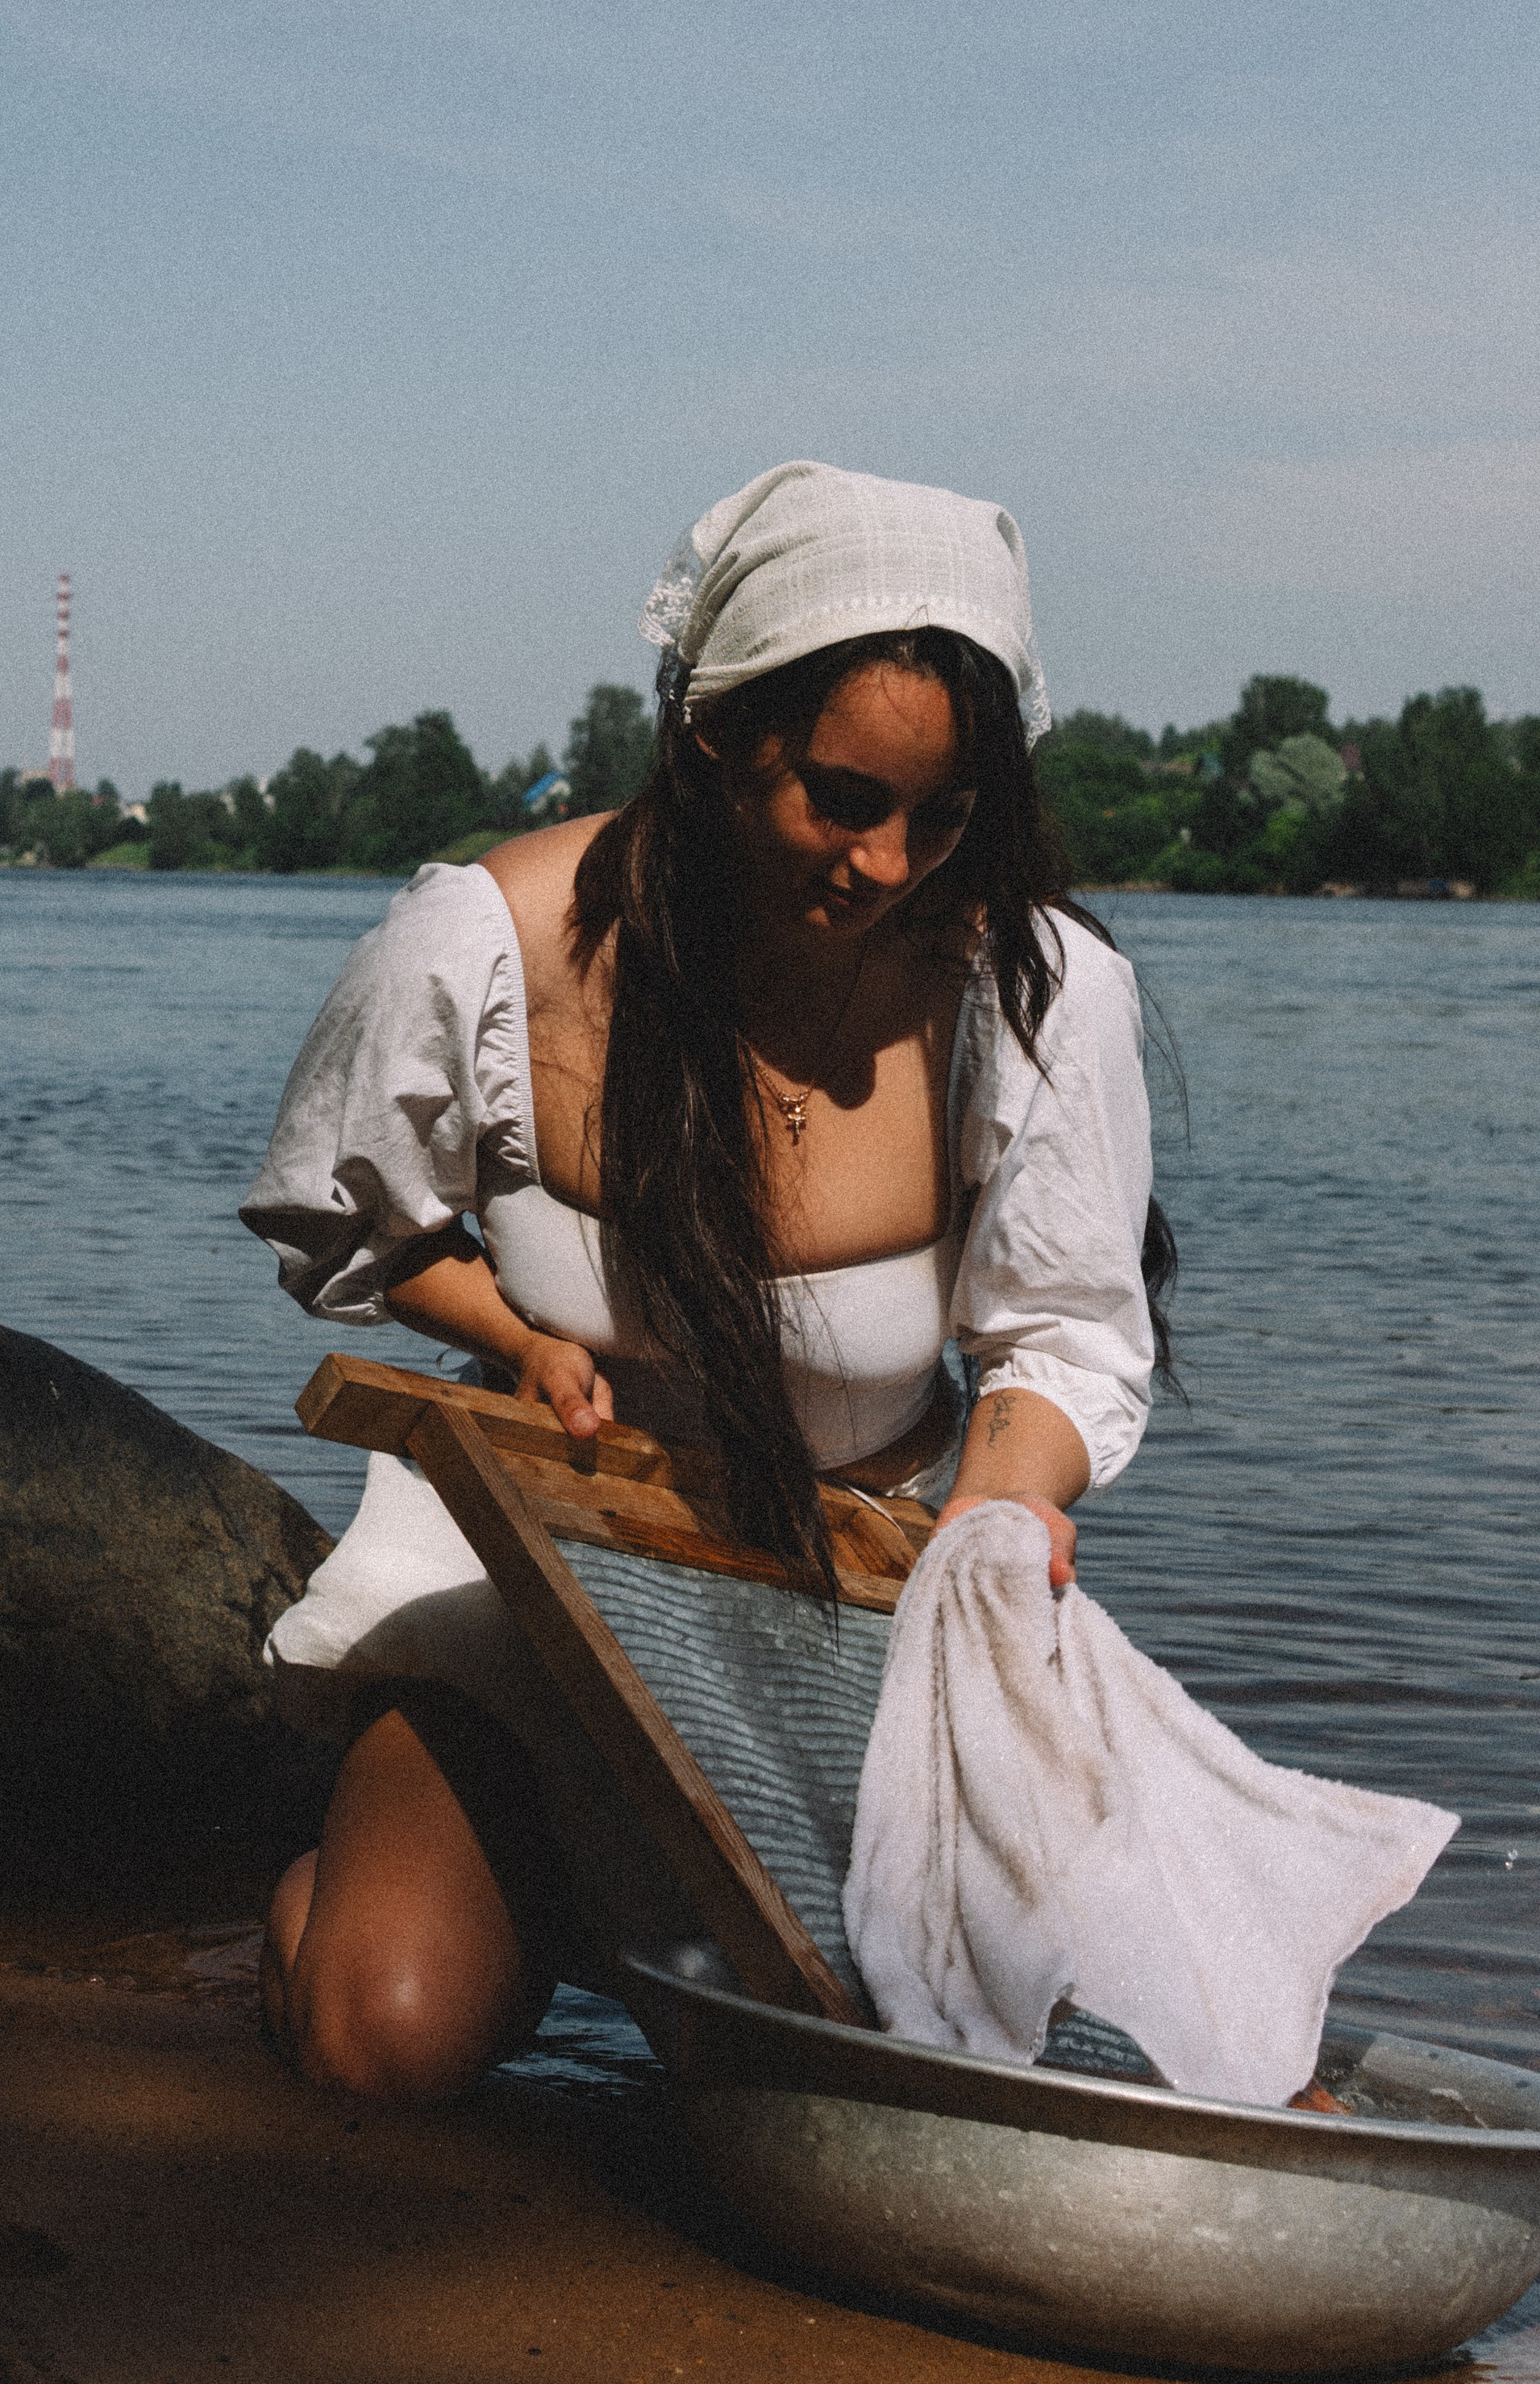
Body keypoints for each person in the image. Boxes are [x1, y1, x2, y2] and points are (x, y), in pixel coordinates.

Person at [240, 461, 1172, 2102]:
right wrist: (509, 1335)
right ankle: (350, 1900)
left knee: (919, 2093)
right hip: (524, 1575)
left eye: (939, 817)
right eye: (843, 799)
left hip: (852, 1605)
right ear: (713, 737)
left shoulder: (1025, 991)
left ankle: (623, 1943)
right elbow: (356, 1228)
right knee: (373, 2047)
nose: (889, 864)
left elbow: (1060, 1338)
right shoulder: (488, 941)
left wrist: (1000, 1509)